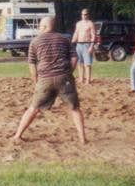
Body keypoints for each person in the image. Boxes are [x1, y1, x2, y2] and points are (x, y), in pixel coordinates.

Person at [13, 16, 86, 144]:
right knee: (75, 108)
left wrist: (36, 81)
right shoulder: (65, 39)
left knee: (33, 108)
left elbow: (32, 65)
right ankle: (82, 138)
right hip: (64, 78)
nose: (39, 28)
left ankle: (17, 135)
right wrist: (68, 73)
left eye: (40, 26)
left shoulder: (35, 42)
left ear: (45, 27)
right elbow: (74, 59)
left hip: (45, 79)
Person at [71, 8, 96, 85]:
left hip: (87, 44)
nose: (84, 16)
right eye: (82, 14)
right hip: (79, 44)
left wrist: (91, 46)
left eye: (85, 14)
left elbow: (93, 35)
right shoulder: (78, 24)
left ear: (88, 15)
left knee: (87, 64)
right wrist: (72, 41)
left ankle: (88, 81)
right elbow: (76, 33)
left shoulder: (90, 23)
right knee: (79, 63)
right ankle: (81, 79)